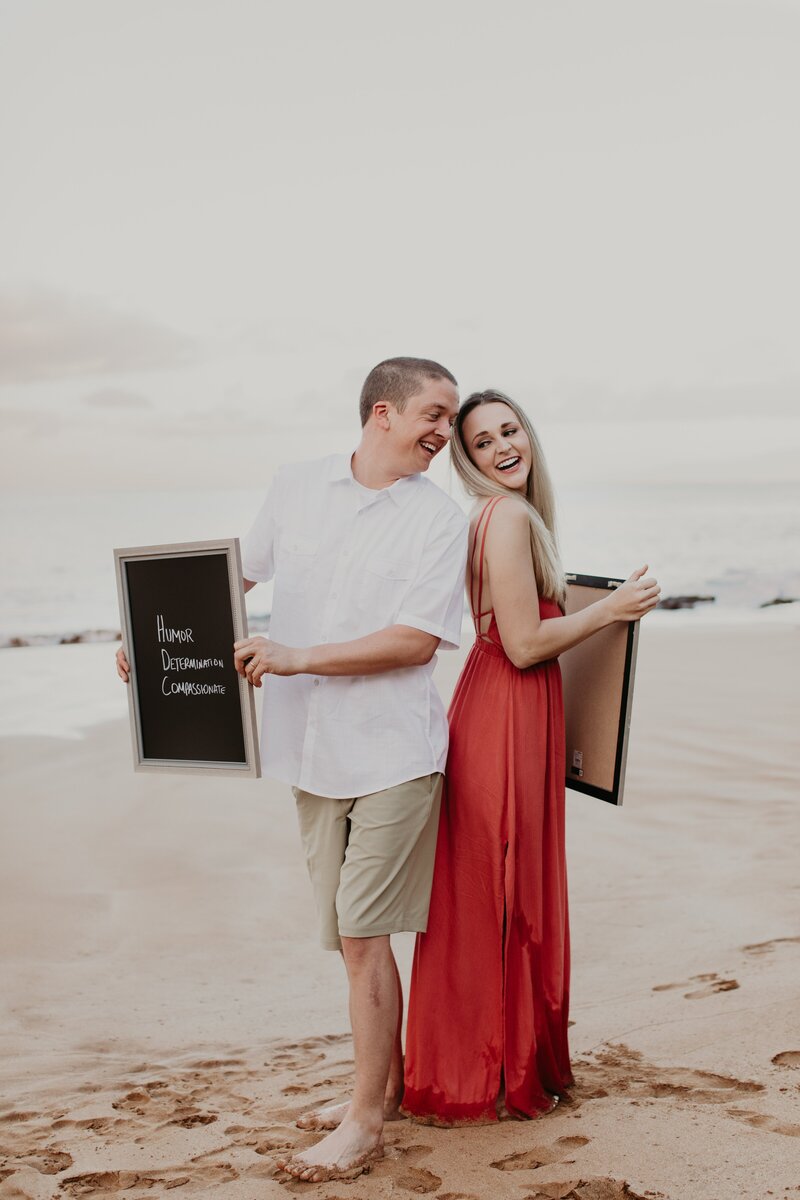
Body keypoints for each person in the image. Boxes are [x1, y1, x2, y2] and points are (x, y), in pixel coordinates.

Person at [116, 357, 467, 1182]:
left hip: (394, 753)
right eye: (435, 415)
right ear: (382, 412)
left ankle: (365, 1120)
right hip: (309, 750)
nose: (445, 434)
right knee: (352, 945)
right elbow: (229, 579)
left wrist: (298, 655)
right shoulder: (297, 484)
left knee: (361, 933)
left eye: (451, 419)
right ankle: (386, 1085)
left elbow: (416, 640)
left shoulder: (438, 520)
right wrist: (147, 635)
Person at [402, 389, 660, 1124]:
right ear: (468, 459)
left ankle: (479, 1062)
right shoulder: (507, 517)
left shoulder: (501, 517)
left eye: (509, 431)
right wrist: (607, 610)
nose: (502, 447)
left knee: (489, 887)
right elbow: (521, 644)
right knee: (504, 888)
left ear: (528, 435)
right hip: (506, 711)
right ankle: (492, 1072)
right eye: (482, 442)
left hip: (499, 705)